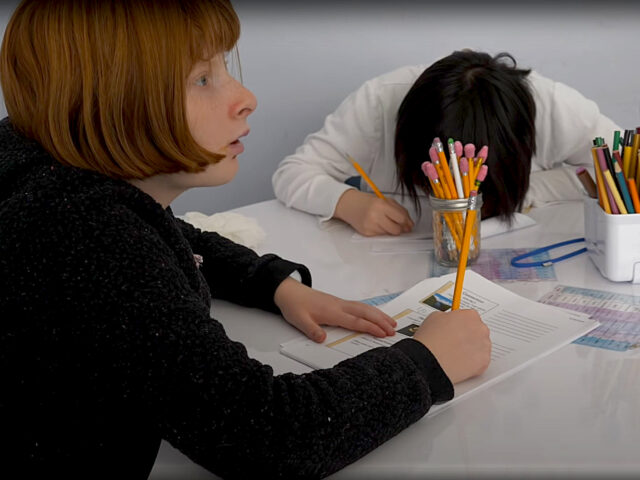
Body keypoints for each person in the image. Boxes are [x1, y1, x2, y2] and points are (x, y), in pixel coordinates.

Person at [0, 1, 491, 478]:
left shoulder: (37, 167)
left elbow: (163, 230)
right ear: (111, 100)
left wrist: (273, 283)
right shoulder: (84, 236)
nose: (245, 97)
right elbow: (271, 436)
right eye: (202, 79)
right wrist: (426, 365)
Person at [272, 50, 621, 236]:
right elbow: (293, 172)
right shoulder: (379, 102)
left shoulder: (553, 106)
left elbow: (620, 169)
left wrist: (529, 189)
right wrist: (347, 202)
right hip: (392, 258)